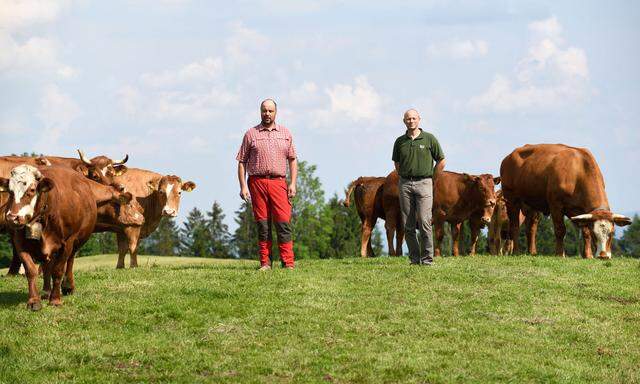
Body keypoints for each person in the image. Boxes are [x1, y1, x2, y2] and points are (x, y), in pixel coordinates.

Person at [236, 99, 298, 270]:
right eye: (264, 111)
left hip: (279, 182)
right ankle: (265, 263)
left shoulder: (285, 133)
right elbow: (241, 162)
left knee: (283, 223)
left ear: (276, 112)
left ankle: (288, 263)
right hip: (257, 183)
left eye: (270, 111)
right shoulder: (251, 134)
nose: (267, 114)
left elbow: (292, 160)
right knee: (263, 225)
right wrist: (243, 186)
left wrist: (293, 183)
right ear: (260, 112)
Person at [392, 109, 445, 265]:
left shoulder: (429, 139)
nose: (411, 121)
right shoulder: (399, 141)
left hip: (425, 183)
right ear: (404, 121)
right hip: (405, 184)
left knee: (424, 221)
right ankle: (415, 259)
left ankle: (427, 259)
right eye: (408, 119)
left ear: (419, 120)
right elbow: (396, 163)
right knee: (408, 224)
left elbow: (441, 161)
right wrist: (403, 175)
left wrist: (432, 177)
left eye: (414, 118)